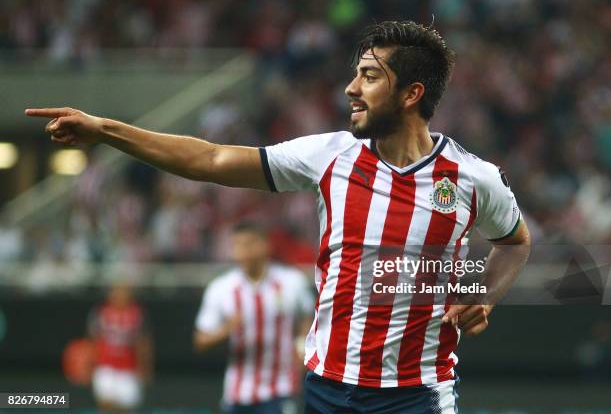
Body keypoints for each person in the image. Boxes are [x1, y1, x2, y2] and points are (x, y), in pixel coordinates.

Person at [27, 20, 531, 414]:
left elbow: (515, 242)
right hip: (327, 388)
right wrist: (106, 130)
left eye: (370, 76)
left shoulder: (473, 177)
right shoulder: (329, 156)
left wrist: (483, 295)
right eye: (355, 73)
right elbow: (212, 160)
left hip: (418, 393)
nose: (351, 88)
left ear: (412, 93)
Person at [194, 222, 313, 414]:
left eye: (249, 244)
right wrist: (226, 329)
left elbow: (308, 318)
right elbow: (200, 340)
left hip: (281, 388)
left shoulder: (292, 282)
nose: (243, 252)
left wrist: (301, 348)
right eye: (237, 245)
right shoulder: (221, 288)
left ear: (266, 245)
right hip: (237, 393)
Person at [88, 284, 153, 413]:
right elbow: (93, 339)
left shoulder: (137, 314)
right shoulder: (101, 312)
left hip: (128, 368)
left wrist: (145, 366)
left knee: (126, 408)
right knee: (105, 403)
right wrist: (91, 364)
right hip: (106, 364)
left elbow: (143, 342)